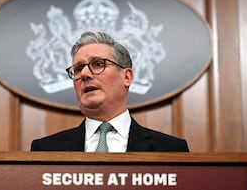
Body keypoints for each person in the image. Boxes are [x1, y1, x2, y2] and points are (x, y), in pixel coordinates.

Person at [31, 31, 189, 152]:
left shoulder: (171, 149)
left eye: (98, 64)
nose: (85, 74)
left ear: (127, 77)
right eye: (78, 68)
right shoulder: (45, 149)